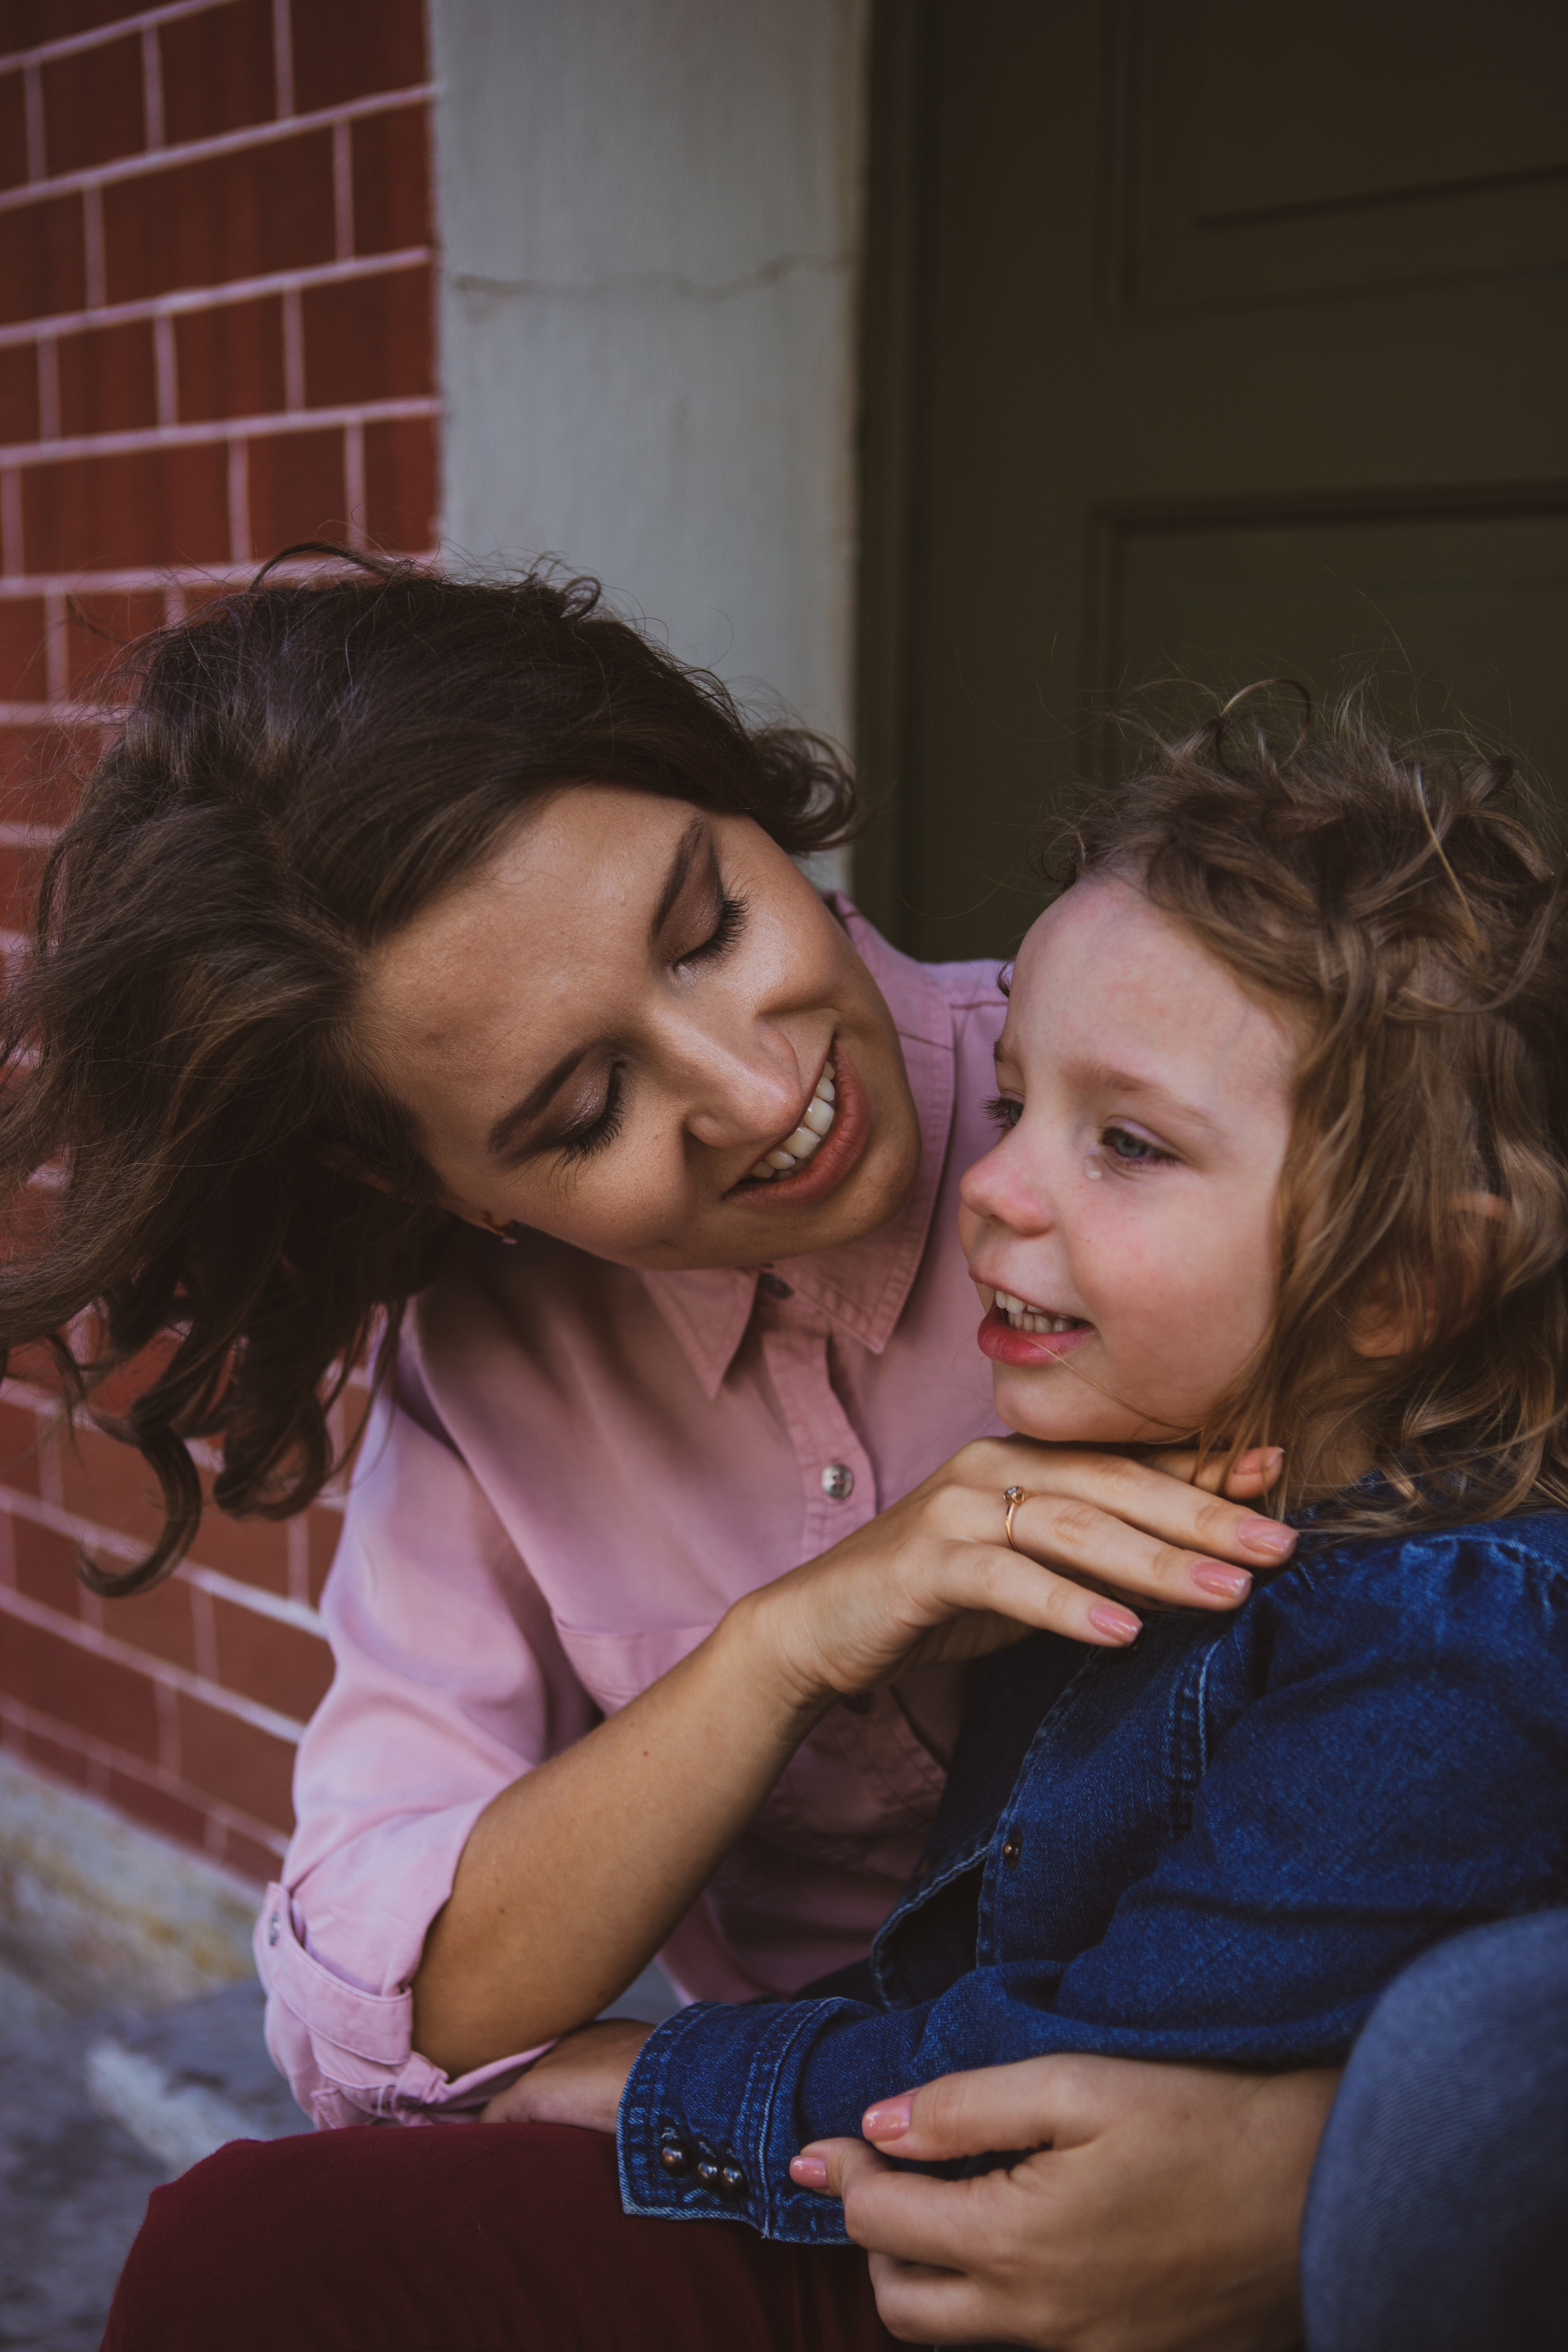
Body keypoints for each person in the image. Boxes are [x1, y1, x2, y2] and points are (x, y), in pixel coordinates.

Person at [3, 557, 1319, 2348]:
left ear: (730, 789)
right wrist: (786, 1646)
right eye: (581, 1110)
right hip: (852, 2169)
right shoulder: (489, 1369)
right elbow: (366, 2020)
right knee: (249, 2260)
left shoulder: (1184, 1090)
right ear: (429, 1183)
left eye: (706, 926)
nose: (757, 1091)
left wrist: (1316, 2167)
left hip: (1299, 2125)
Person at [469, 705, 1568, 2320]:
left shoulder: (1439, 1643)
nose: (989, 1190)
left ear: (1405, 1282)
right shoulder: (1144, 1513)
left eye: (1124, 1142)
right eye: (1011, 1104)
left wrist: (652, 2086)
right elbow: (975, 1958)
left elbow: (1052, 2081)